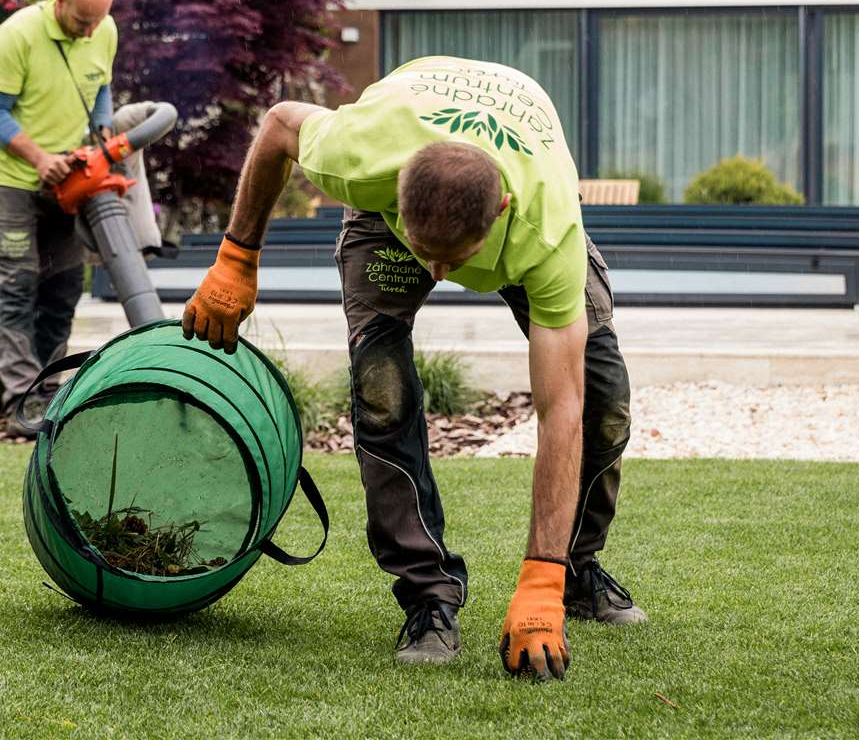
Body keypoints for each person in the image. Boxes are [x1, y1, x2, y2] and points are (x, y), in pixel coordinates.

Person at [182, 56, 642, 679]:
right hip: (394, 199)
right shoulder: (362, 157)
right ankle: (429, 595)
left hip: (521, 183)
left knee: (604, 398)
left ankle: (573, 572)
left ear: (501, 210)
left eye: (455, 260)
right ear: (394, 190)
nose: (439, 276)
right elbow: (280, 127)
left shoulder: (543, 226)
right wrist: (237, 256)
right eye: (428, 256)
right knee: (382, 390)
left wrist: (539, 577)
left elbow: (560, 408)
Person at [0, 0, 130, 435]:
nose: (88, 32)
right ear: (60, 1)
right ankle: (19, 400)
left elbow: (100, 86)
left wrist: (102, 125)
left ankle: (48, 390)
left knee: (63, 287)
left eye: (96, 23)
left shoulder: (103, 29)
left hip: (66, 184)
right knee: (19, 284)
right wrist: (40, 158)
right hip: (12, 180)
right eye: (81, 21)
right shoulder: (16, 35)